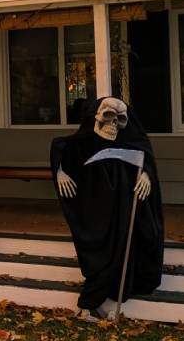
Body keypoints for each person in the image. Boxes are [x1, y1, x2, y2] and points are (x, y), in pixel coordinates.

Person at [51, 96, 163, 320]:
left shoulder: (131, 140)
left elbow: (146, 157)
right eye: (108, 117)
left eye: (119, 120)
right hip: (96, 209)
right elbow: (60, 147)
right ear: (95, 116)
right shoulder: (83, 143)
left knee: (122, 247)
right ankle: (89, 303)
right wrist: (60, 171)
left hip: (123, 205)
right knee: (100, 252)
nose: (113, 125)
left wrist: (147, 175)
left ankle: (93, 304)